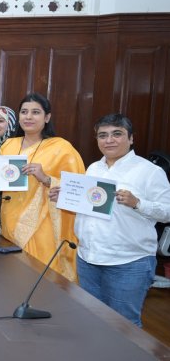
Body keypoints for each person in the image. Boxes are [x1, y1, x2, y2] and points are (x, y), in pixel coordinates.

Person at [49, 113, 170, 327]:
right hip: (88, 258)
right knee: (92, 320)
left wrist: (137, 203)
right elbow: (90, 207)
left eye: (117, 134)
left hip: (128, 262)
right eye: (103, 135)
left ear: (131, 138)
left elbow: (167, 212)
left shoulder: (150, 172)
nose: (109, 140)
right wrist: (66, 198)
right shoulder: (94, 168)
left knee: (124, 326)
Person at [0, 93, 84, 282]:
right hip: (9, 220)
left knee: (41, 278)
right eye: (24, 112)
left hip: (43, 225)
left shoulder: (62, 148)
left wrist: (46, 178)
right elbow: (0, 179)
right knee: (11, 277)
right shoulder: (9, 145)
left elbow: (78, 191)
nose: (28, 117)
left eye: (35, 112)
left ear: (47, 117)